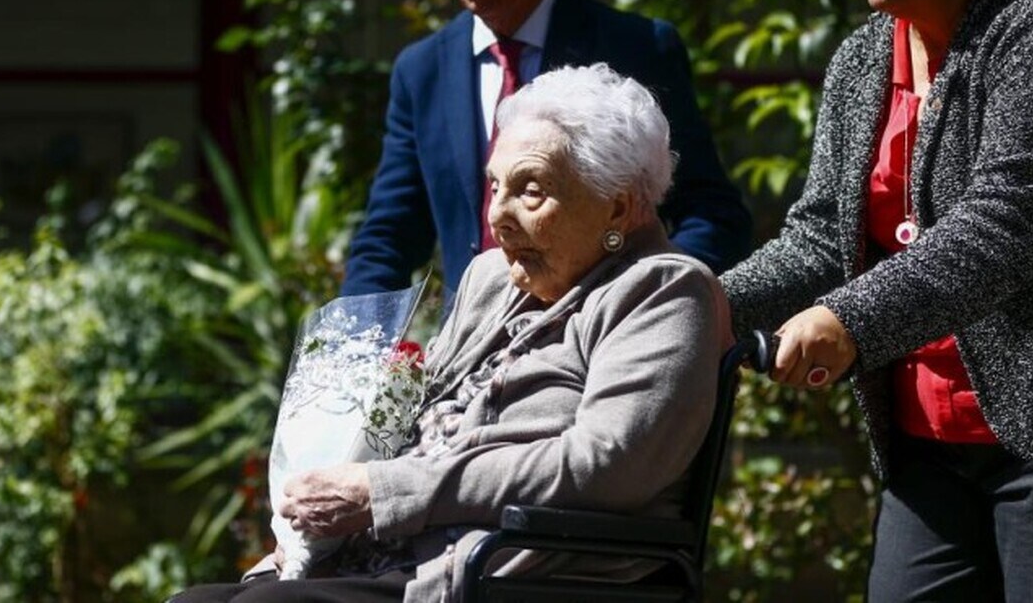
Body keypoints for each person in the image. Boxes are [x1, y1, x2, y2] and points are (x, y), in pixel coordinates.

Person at [169, 64, 734, 602]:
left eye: (531, 190)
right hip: (385, 558)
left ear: (619, 206)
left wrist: (386, 492)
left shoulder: (661, 291)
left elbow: (605, 464)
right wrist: (304, 538)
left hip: (493, 573)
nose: (498, 216)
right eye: (494, 188)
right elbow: (410, 423)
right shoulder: (493, 278)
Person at [718, 0, 1033, 600]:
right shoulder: (862, 59)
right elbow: (822, 236)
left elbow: (996, 232)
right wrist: (707, 301)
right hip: (926, 450)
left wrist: (848, 321)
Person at [340, 0, 752, 299]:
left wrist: (649, 300)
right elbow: (389, 237)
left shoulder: (635, 49)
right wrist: (352, 351)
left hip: (605, 349)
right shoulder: (422, 70)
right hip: (474, 356)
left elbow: (711, 214)